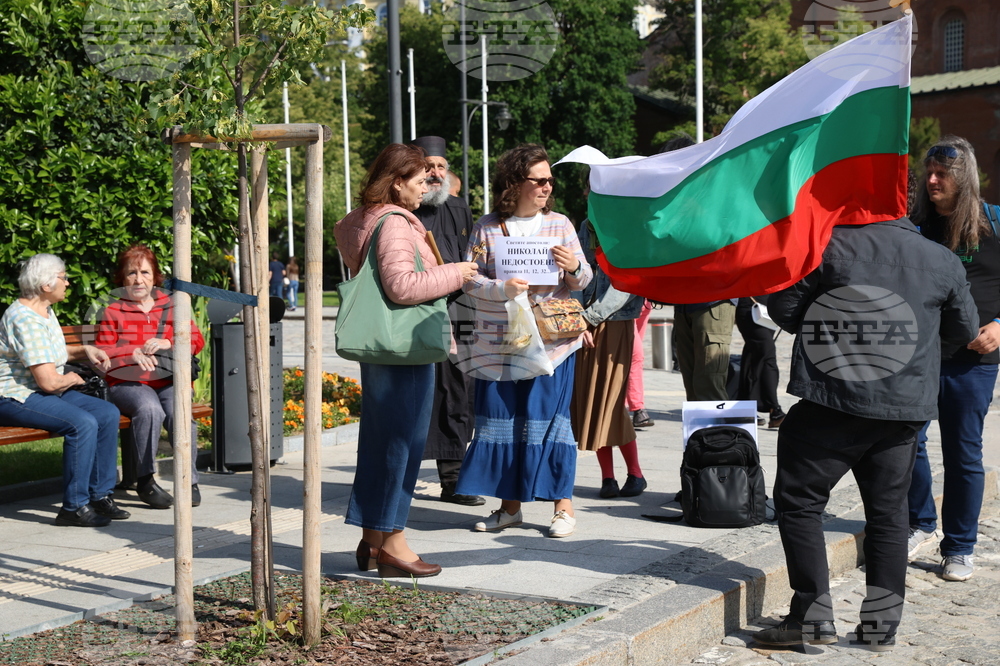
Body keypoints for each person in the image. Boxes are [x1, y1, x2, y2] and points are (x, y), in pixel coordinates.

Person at [753, 215, 978, 650]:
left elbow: (784, 309)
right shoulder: (943, 258)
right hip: (899, 407)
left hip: (833, 398)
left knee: (799, 502)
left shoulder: (828, 244)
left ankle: (810, 618)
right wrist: (910, 351)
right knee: (889, 515)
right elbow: (963, 332)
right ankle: (880, 629)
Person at [334, 143, 479, 578]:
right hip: (404, 349)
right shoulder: (395, 223)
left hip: (382, 347)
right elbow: (402, 286)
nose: (427, 188)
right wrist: (459, 272)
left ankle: (373, 540)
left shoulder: (363, 219)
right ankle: (394, 541)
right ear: (397, 183)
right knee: (402, 445)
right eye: (419, 181)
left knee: (380, 442)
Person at [455, 143, 592, 538]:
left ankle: (562, 507)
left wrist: (574, 267)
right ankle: (509, 508)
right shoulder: (487, 227)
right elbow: (469, 277)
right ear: (515, 182)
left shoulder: (561, 224)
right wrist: (501, 288)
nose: (548, 186)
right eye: (540, 180)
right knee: (503, 420)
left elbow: (584, 281)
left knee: (549, 421)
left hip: (553, 342)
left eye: (550, 180)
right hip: (501, 341)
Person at [906, 136, 1000, 581]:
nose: (932, 179)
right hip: (921, 358)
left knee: (963, 454)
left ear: (965, 177)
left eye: (942, 172)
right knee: (907, 443)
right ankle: (919, 523)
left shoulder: (995, 224)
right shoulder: (916, 226)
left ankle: (959, 547)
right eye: (929, 171)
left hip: (972, 365)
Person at [0, 254, 127, 527]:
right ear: (46, 284)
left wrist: (85, 349)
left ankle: (99, 495)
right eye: (63, 277)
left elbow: (52, 352)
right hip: (15, 396)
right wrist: (75, 379)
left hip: (41, 391)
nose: (67, 283)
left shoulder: (44, 310)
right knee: (81, 423)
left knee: (106, 413)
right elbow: (48, 381)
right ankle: (74, 507)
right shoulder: (24, 319)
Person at [96, 245, 205, 509]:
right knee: (149, 410)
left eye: (145, 272)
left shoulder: (170, 305)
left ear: (155, 276)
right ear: (122, 278)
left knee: (180, 412)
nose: (138, 279)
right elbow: (103, 355)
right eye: (131, 273)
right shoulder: (113, 311)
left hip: (167, 379)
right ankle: (145, 480)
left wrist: (169, 341)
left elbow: (196, 339)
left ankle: (188, 481)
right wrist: (129, 353)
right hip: (128, 382)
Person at [409, 135, 483, 507]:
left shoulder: (459, 208)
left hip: (462, 311)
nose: (435, 173)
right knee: (424, 391)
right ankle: (413, 476)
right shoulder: (406, 210)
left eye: (440, 166)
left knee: (460, 389)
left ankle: (454, 478)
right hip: (421, 312)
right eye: (428, 167)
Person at [571, 218, 646, 498]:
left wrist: (588, 317)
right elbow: (575, 273)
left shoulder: (629, 223)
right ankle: (608, 478)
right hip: (585, 322)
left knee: (611, 402)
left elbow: (629, 282)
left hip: (614, 321)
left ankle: (635, 474)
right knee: (592, 399)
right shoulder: (588, 225)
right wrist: (578, 319)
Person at [660, 135, 737, 401]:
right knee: (693, 388)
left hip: (713, 300)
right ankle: (699, 444)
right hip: (685, 300)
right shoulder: (677, 200)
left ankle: (720, 443)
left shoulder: (715, 193)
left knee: (710, 386)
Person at [734, 296, 786, 428]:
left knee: (753, 356)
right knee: (767, 356)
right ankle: (775, 410)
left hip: (768, 308)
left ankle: (744, 408)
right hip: (750, 305)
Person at [625, 298, 655, 428]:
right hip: (626, 301)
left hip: (645, 302)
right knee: (635, 356)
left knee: (631, 358)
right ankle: (638, 408)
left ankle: (624, 407)